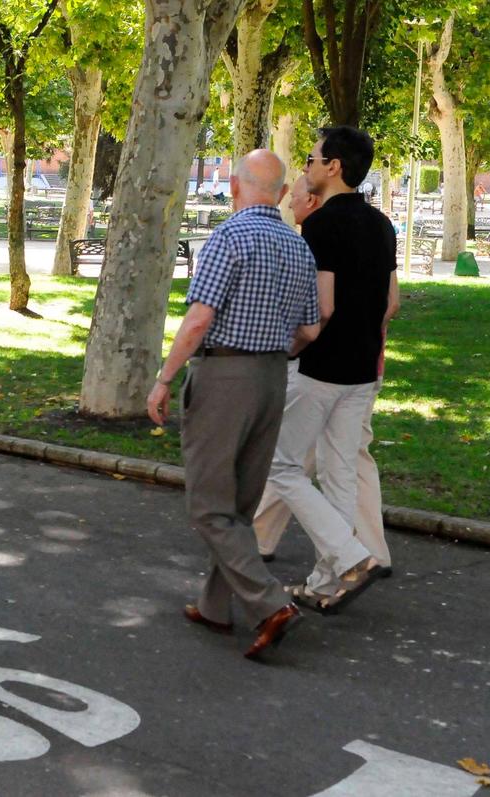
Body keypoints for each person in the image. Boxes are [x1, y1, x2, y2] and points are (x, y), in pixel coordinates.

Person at [146, 149, 320, 660]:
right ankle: (215, 606)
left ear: (234, 185)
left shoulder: (228, 238)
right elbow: (310, 328)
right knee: (239, 503)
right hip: (271, 378)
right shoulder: (298, 247)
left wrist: (164, 379)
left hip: (224, 376)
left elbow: (199, 319)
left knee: (208, 505)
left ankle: (270, 605)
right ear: (284, 193)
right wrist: (270, 350)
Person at [261, 126, 397, 615]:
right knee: (340, 477)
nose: (306, 168)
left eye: (312, 160)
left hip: (321, 368)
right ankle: (326, 583)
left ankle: (348, 556)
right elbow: (389, 302)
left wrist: (291, 346)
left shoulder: (322, 226)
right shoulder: (382, 224)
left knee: (281, 464)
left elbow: (322, 308)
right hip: (363, 368)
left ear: (334, 166)